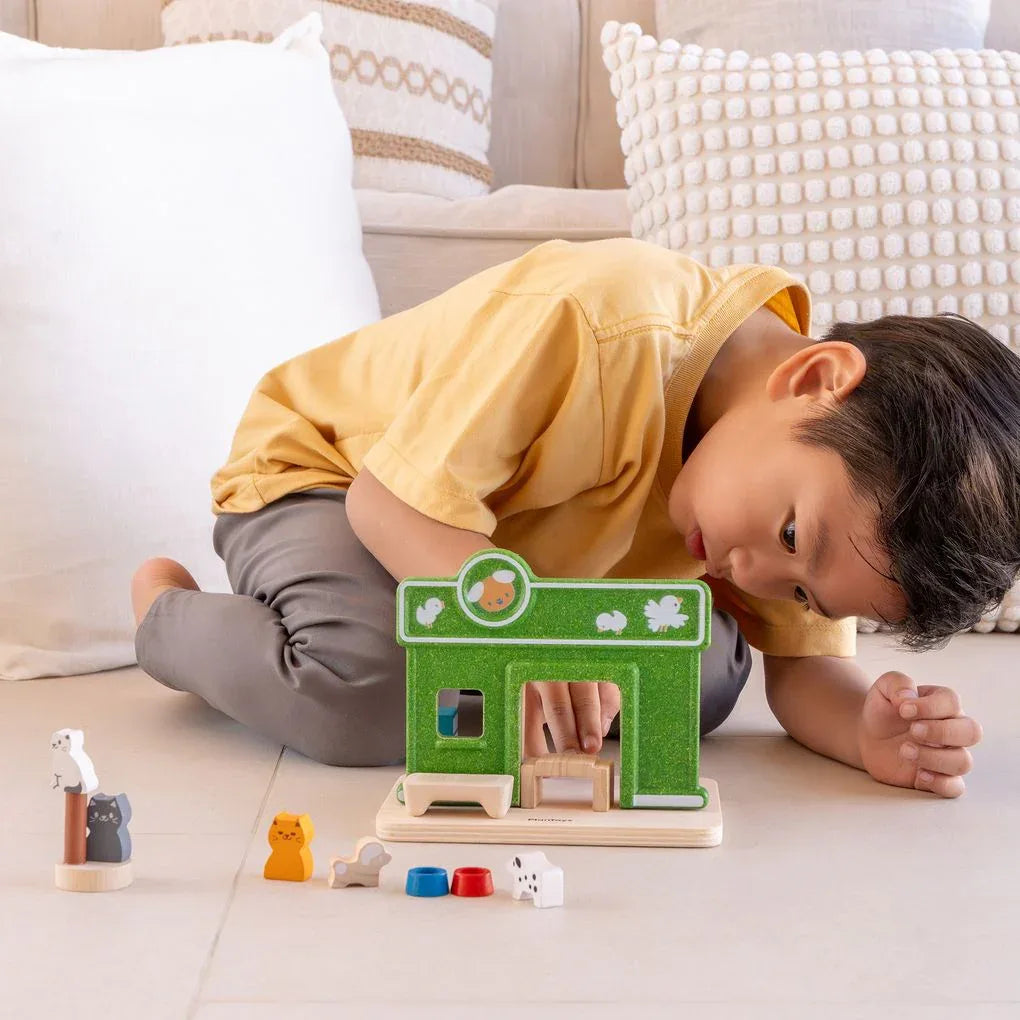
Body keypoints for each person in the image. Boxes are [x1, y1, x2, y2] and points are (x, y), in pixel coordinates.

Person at [131, 237, 1014, 798]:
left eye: (804, 594)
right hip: (337, 481)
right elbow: (387, 503)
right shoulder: (597, 322)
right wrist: (535, 639)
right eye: (791, 539)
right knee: (366, 689)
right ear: (815, 380)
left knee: (703, 681)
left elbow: (802, 672)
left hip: (512, 563)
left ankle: (525, 647)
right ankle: (167, 612)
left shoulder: (798, 485)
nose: (752, 575)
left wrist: (864, 732)